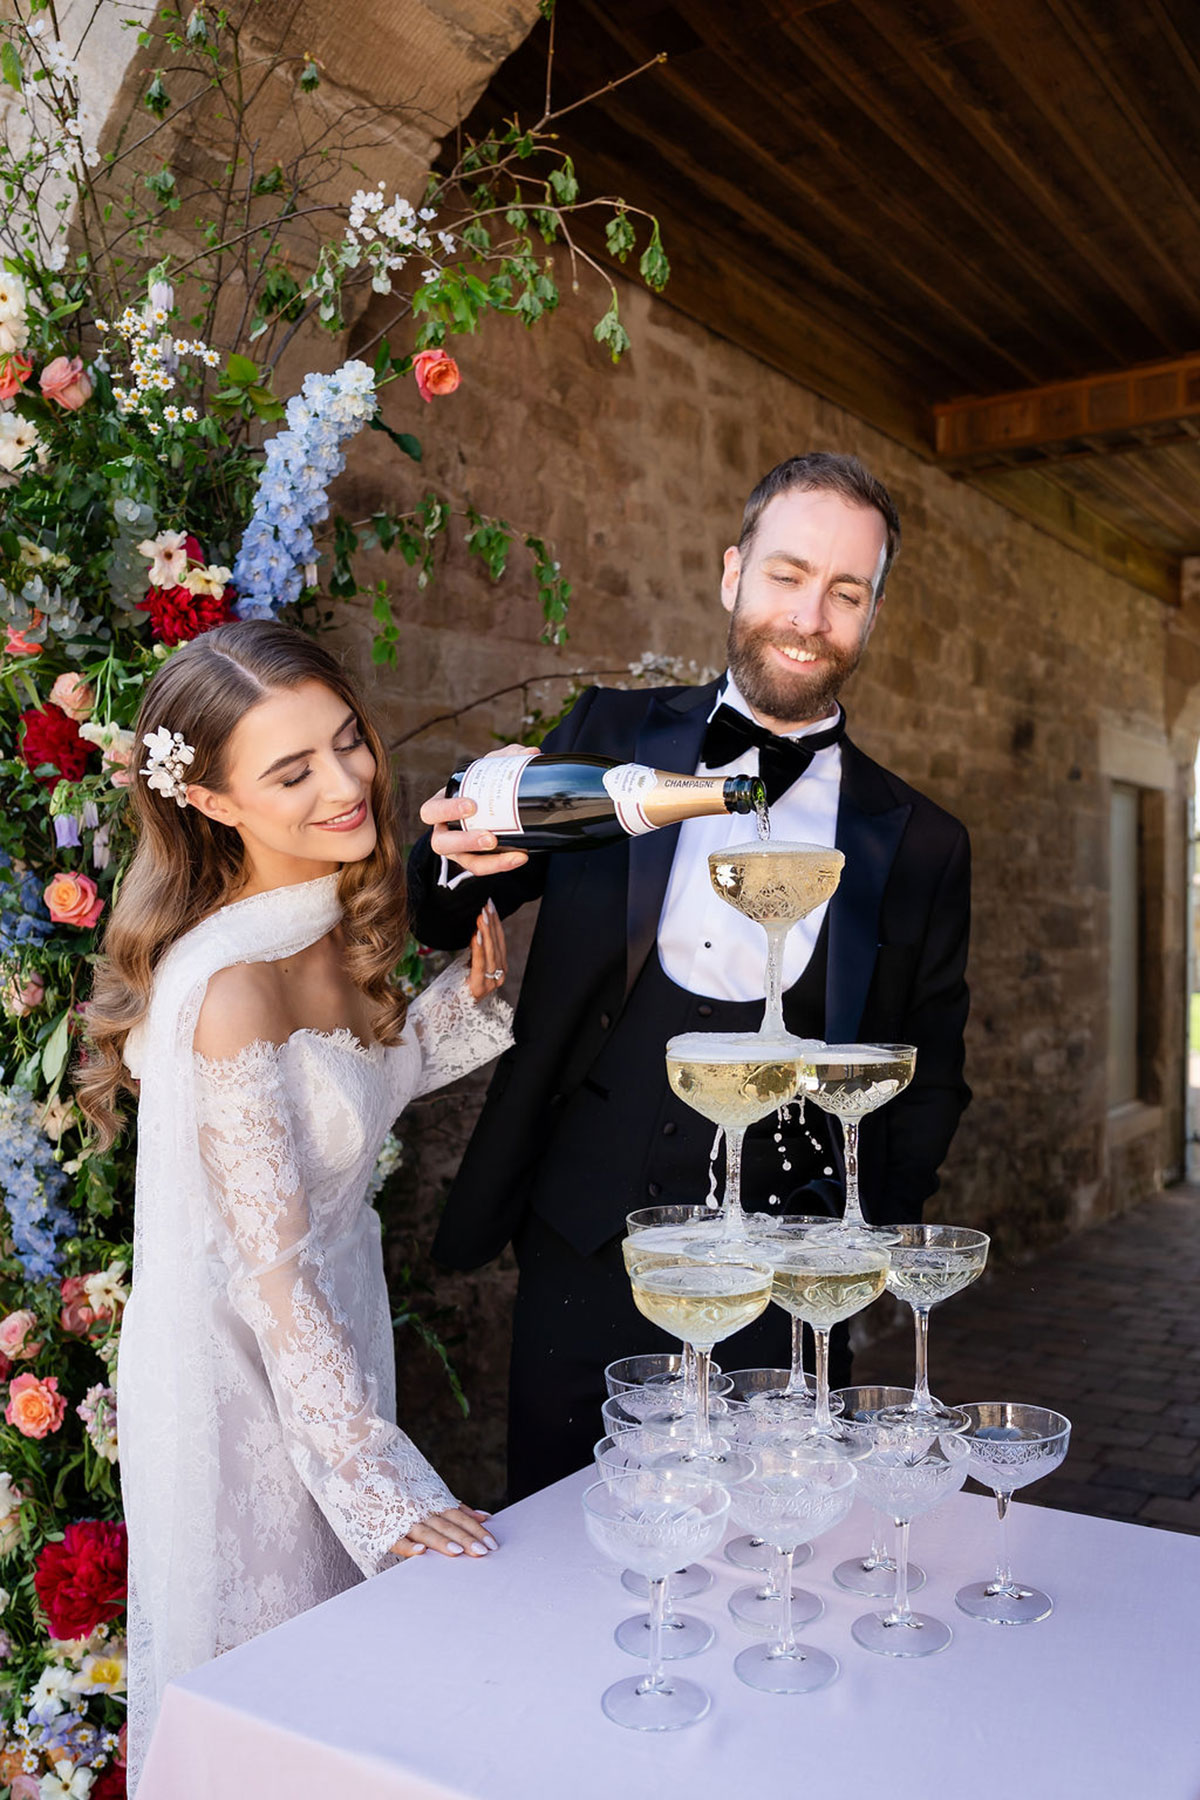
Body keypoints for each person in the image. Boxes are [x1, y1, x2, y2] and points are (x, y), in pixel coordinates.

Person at [409, 452, 972, 1501]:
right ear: (732, 576)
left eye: (846, 592)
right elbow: (447, 908)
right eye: (787, 574)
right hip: (586, 1252)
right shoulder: (608, 736)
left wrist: (852, 1254)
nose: (809, 615)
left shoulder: (924, 843)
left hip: (786, 1282)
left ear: (872, 614)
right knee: (563, 1539)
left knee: (768, 1557)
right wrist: (453, 843)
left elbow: (929, 1074)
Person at [77, 621, 512, 1793]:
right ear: (211, 802)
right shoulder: (223, 988)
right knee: (286, 1683)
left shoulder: (325, 912)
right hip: (242, 1381)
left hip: (333, 1335)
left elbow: (349, 1095)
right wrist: (380, 1485)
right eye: (292, 771)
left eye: (347, 743)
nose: (346, 783)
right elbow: (266, 1275)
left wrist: (455, 1007)